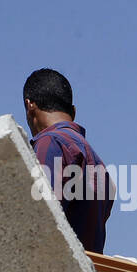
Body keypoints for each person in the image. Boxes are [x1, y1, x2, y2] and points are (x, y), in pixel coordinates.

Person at [22, 68, 115, 253]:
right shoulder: (99, 166)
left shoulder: (50, 142)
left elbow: (39, 220)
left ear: (30, 105)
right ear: (73, 111)